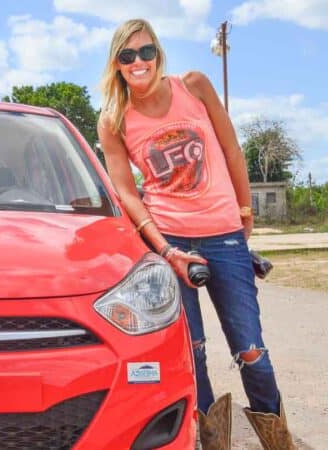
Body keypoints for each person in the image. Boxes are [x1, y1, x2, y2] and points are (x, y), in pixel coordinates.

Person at [97, 19, 296, 450]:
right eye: (127, 56)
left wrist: (245, 210)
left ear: (158, 53)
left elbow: (231, 148)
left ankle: (280, 443)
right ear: (116, 63)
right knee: (195, 352)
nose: (139, 62)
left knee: (251, 350)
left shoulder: (194, 86)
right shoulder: (113, 120)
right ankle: (213, 444)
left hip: (224, 236)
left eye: (146, 51)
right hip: (171, 241)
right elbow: (128, 194)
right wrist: (166, 250)